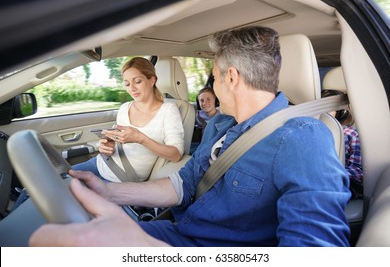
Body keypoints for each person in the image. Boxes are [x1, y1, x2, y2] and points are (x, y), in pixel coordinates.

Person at [30, 26, 351, 247]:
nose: (210, 88)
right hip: (176, 232)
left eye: (213, 78)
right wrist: (109, 193)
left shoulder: (303, 138)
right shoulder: (225, 128)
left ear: (231, 77)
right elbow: (179, 185)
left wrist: (147, 251)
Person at [72, 57, 185, 183]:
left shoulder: (169, 110)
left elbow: (176, 155)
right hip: (100, 162)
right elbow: (119, 142)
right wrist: (108, 147)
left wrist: (141, 139)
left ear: (152, 80)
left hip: (121, 179)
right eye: (127, 84)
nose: (132, 88)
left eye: (137, 81)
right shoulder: (125, 108)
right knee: (59, 179)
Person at [322, 89, 363, 199]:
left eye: (326, 109)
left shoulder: (352, 135)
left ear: (342, 112)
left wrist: (331, 175)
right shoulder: (310, 132)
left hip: (344, 184)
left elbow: (358, 170)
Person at [191, 86, 220, 153]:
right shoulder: (198, 116)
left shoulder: (221, 117)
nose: (204, 103)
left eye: (208, 99)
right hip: (201, 145)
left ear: (215, 100)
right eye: (201, 100)